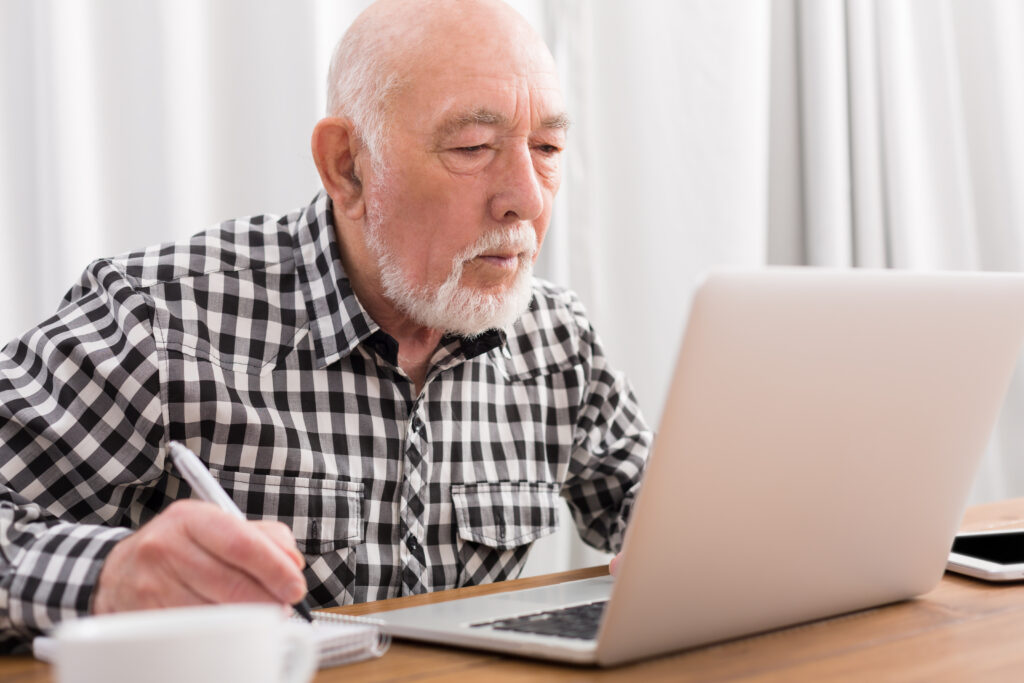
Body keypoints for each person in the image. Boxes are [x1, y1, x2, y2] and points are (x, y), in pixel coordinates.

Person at [0, 0, 650, 649]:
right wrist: (106, 577)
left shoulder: (556, 340)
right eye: (473, 147)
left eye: (548, 147)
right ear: (347, 164)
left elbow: (662, 511)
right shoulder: (162, 318)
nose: (528, 198)